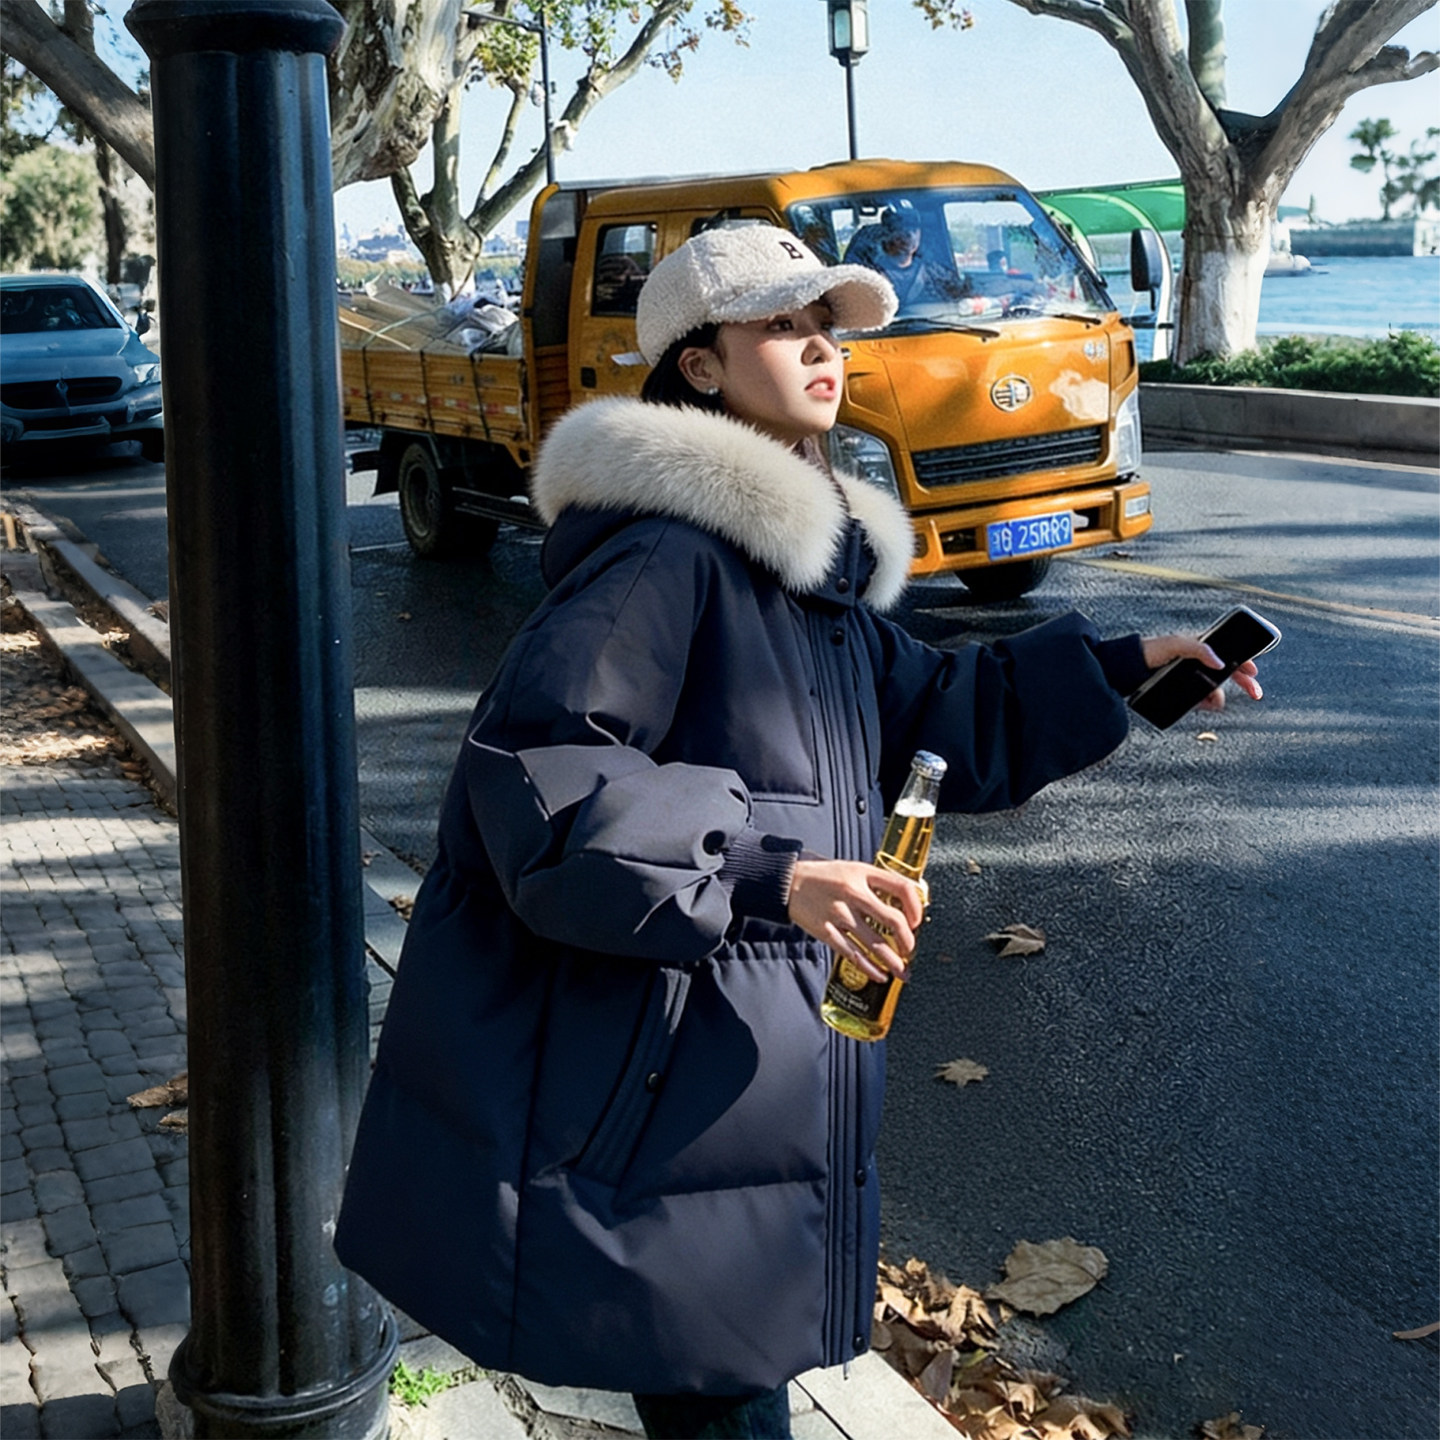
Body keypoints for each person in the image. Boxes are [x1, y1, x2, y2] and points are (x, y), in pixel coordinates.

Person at [334, 225, 1261, 1440]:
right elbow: (544, 779)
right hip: (673, 1067)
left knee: (725, 1377)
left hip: (743, 1062)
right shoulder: (667, 554)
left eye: (827, 323)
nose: (820, 346)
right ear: (702, 367)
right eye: (781, 325)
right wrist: (774, 874)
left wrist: (1118, 666)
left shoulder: (802, 579)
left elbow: (938, 713)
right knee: (722, 1389)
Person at [844, 204, 963, 309]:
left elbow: (963, 300)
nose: (910, 235)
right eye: (901, 230)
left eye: (914, 229)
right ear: (886, 235)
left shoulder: (936, 274)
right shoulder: (866, 277)